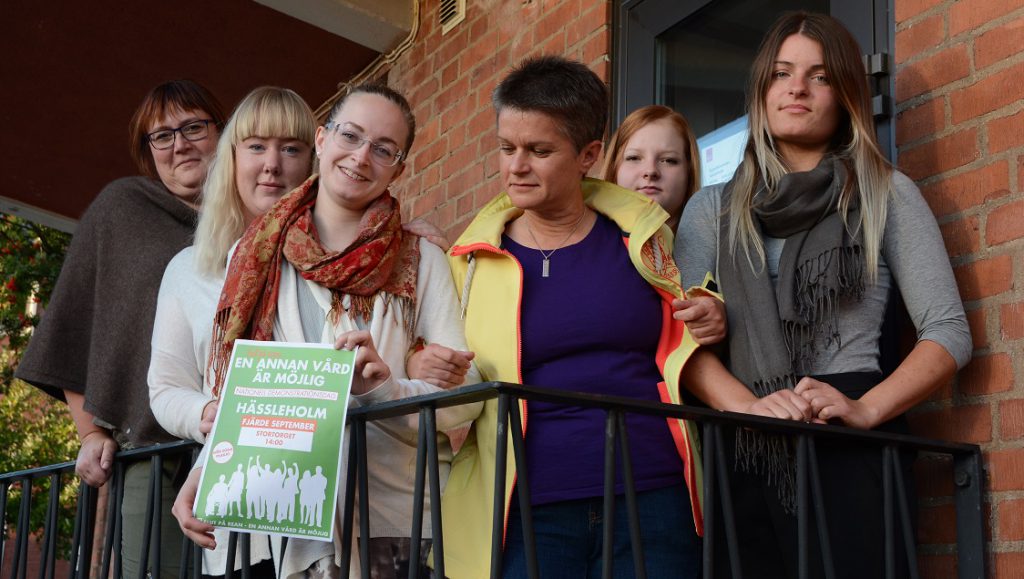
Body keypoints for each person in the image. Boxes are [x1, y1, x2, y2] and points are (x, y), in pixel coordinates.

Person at [676, 12, 971, 578]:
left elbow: (949, 331)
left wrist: (867, 409)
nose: (797, 88)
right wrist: (746, 408)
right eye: (782, 73)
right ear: (762, 90)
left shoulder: (886, 193)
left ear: (845, 95)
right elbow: (680, 344)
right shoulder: (710, 209)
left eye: (819, 76)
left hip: (849, 449)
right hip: (746, 445)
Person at [170, 83, 481, 579]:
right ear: (321, 138)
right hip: (282, 517)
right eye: (350, 135)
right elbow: (245, 395)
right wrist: (205, 470)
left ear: (399, 168)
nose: (361, 157)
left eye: (383, 149)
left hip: (391, 522)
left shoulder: (421, 259)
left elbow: (467, 398)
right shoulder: (254, 255)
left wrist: (385, 387)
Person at [439, 56, 705, 579]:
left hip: (652, 494)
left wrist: (710, 309)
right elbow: (452, 383)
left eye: (539, 151)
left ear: (588, 155)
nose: (516, 166)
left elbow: (688, 333)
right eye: (507, 148)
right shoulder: (466, 262)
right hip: (525, 506)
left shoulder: (645, 240)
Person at [15, 80, 225, 579]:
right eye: (162, 136)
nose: (180, 144)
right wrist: (89, 432)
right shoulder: (122, 209)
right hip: (152, 451)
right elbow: (76, 325)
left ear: (223, 132)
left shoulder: (259, 215)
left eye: (194, 126)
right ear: (147, 152)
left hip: (247, 440)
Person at [147, 86, 316, 577]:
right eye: (257, 146)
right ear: (232, 157)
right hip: (239, 508)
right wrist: (211, 412)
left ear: (312, 160)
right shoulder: (190, 270)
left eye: (291, 148)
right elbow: (165, 387)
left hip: (334, 499)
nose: (273, 164)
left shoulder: (340, 260)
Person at [603, 104, 726, 345]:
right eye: (634, 158)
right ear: (614, 167)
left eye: (669, 160)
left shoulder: (721, 245)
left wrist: (722, 315)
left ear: (689, 172)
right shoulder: (587, 242)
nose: (650, 171)